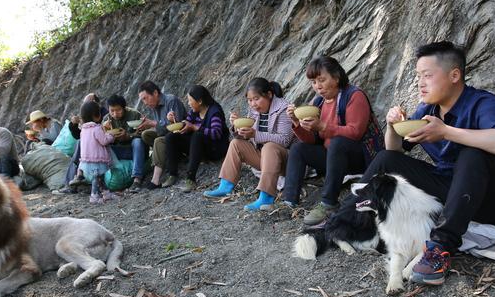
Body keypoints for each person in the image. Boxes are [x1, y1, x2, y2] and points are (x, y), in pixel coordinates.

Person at [340, 41, 495, 286]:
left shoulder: (482, 103)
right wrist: (392, 127)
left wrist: (447, 132)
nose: (420, 82)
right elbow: (394, 151)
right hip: (453, 193)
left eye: (428, 75)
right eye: (418, 76)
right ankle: (343, 219)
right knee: (386, 160)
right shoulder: (428, 110)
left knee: (471, 154)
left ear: (454, 75)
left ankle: (439, 248)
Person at [283, 56, 383, 225]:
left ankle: (329, 203)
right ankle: (289, 201)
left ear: (336, 78)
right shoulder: (319, 102)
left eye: (322, 80)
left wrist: (322, 126)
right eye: (313, 82)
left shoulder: (354, 96)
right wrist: (296, 123)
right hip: (334, 157)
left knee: (337, 142)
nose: (318, 86)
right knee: (299, 149)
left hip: (361, 157)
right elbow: (312, 139)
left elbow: (355, 132)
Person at [204, 78, 295, 211]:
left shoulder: (284, 108)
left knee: (269, 146)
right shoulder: (254, 111)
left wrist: (255, 134)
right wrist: (237, 127)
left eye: (256, 98)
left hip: (286, 161)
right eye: (250, 100)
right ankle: (225, 186)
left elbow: (285, 140)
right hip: (264, 160)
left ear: (269, 95)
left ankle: (266, 197)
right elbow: (247, 137)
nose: (253, 104)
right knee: (236, 143)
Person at [163, 85, 229, 193]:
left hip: (215, 149)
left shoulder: (214, 111)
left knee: (197, 135)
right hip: (198, 148)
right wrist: (175, 121)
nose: (188, 103)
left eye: (190, 100)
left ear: (199, 101)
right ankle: (172, 174)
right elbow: (187, 122)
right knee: (171, 137)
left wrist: (194, 127)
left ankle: (191, 178)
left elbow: (216, 133)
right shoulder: (195, 111)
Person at [136, 80, 187, 189]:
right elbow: (161, 128)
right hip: (167, 134)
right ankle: (166, 156)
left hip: (180, 136)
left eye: (145, 98)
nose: (144, 102)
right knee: (145, 134)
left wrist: (153, 123)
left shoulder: (171, 100)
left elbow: (176, 125)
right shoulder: (154, 106)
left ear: (155, 93)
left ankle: (155, 180)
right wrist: (148, 125)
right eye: (142, 100)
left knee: (158, 141)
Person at [54, 93, 107, 195]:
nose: (86, 106)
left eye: (89, 103)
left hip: (102, 147)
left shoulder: (104, 114)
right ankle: (73, 181)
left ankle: (77, 178)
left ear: (96, 104)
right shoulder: (87, 115)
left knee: (79, 144)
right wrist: (73, 125)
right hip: (92, 148)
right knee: (79, 142)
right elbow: (78, 135)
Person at [102, 94, 147, 192]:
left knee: (138, 141)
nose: (115, 114)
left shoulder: (134, 115)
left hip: (132, 151)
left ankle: (137, 180)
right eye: (112, 111)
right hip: (117, 151)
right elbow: (101, 139)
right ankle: (97, 180)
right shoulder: (106, 119)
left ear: (124, 108)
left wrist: (128, 136)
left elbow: (144, 134)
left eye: (118, 110)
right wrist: (104, 130)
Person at [78, 101, 120, 203]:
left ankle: (106, 193)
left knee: (100, 178)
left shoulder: (83, 129)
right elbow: (104, 141)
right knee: (96, 179)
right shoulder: (96, 128)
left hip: (86, 159)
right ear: (97, 116)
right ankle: (94, 196)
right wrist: (111, 136)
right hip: (96, 160)